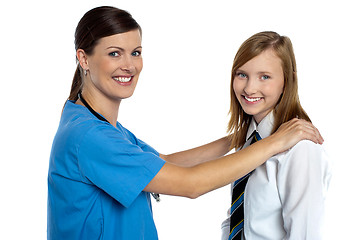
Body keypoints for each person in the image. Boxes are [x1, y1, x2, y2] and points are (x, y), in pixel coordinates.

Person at [47, 7, 324, 240]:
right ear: (83, 58)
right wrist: (272, 142)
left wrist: (241, 137)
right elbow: (190, 184)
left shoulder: (99, 126)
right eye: (114, 53)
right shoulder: (90, 137)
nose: (129, 65)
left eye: (136, 52)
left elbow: (164, 162)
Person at [221, 31, 331, 240]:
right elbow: (236, 218)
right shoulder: (249, 141)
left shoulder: (301, 149)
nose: (250, 88)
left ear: (286, 82)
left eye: (265, 77)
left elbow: (304, 234)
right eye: (242, 74)